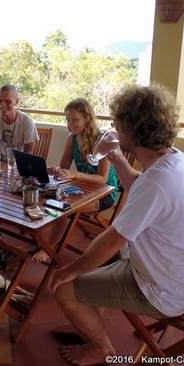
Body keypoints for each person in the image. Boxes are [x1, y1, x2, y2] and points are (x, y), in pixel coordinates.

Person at [50, 85, 184, 366]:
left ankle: (102, 348)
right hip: (181, 274)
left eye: (117, 124)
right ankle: (85, 323)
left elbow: (112, 238)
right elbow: (139, 184)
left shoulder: (158, 182)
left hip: (162, 290)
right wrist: (116, 157)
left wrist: (68, 270)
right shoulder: (174, 161)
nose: (113, 128)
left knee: (62, 288)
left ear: (131, 131)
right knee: (97, 263)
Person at [32, 98, 119, 263]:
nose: (70, 123)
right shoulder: (72, 139)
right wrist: (57, 171)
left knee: (64, 208)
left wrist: (75, 175)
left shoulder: (103, 140)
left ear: (87, 118)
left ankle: (50, 248)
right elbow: (63, 167)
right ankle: (47, 240)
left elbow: (102, 180)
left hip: (105, 193)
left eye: (75, 119)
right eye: (68, 119)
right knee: (49, 198)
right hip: (82, 189)